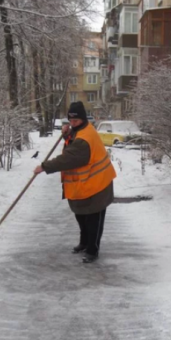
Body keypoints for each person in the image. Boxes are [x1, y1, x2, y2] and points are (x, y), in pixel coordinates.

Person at [34, 102, 116, 263]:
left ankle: (93, 249)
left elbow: (69, 158)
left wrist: (44, 166)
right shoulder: (81, 131)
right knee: (81, 215)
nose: (73, 124)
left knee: (93, 218)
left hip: (98, 184)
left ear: (83, 119)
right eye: (71, 121)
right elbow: (73, 144)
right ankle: (84, 243)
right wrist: (68, 135)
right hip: (86, 184)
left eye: (76, 121)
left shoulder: (85, 138)